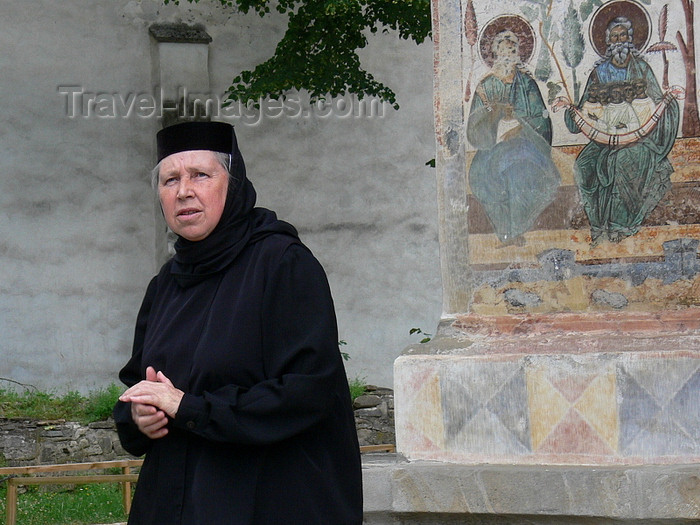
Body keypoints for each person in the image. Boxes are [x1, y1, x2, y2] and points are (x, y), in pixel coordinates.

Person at [113, 121, 363, 524]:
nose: (183, 191)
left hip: (267, 501)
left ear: (233, 183)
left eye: (200, 175)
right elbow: (137, 386)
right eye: (169, 179)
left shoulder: (282, 264)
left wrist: (190, 408)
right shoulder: (164, 285)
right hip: (173, 503)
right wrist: (140, 417)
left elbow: (309, 390)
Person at [564, 16, 679, 245]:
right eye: (614, 36)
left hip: (639, 140)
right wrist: (570, 110)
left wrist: (669, 102)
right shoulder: (599, 73)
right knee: (584, 164)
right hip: (604, 138)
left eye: (623, 35)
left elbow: (658, 102)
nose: (619, 40)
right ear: (608, 42)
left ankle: (619, 225)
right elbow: (585, 109)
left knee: (622, 161)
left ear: (630, 39)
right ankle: (597, 226)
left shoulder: (642, 69)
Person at [467, 29, 560, 245]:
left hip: (526, 146)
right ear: (495, 52)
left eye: (513, 48)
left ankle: (516, 229)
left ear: (519, 53)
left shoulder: (527, 84)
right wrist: (495, 115)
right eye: (503, 48)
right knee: (485, 179)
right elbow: (474, 128)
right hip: (492, 149)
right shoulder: (486, 86)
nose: (508, 52)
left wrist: (521, 129)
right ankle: (506, 231)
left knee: (521, 174)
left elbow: (541, 119)